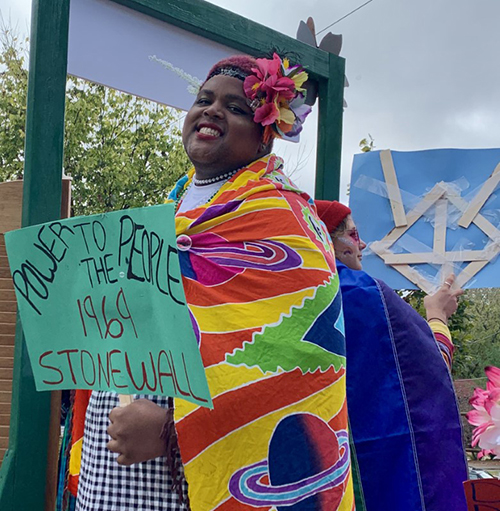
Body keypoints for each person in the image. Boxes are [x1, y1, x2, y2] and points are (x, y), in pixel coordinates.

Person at [75, 54, 354, 511]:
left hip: (194, 468)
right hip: (115, 461)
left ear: (268, 130)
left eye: (236, 107)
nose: (211, 110)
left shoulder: (283, 218)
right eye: (203, 99)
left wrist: (170, 431)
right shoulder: (171, 207)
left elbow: (298, 368)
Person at [315, 199, 468, 511]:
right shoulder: (366, 299)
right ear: (330, 242)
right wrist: (437, 316)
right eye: (354, 235)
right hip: (372, 483)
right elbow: (428, 374)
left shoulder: (274, 298)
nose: (363, 244)